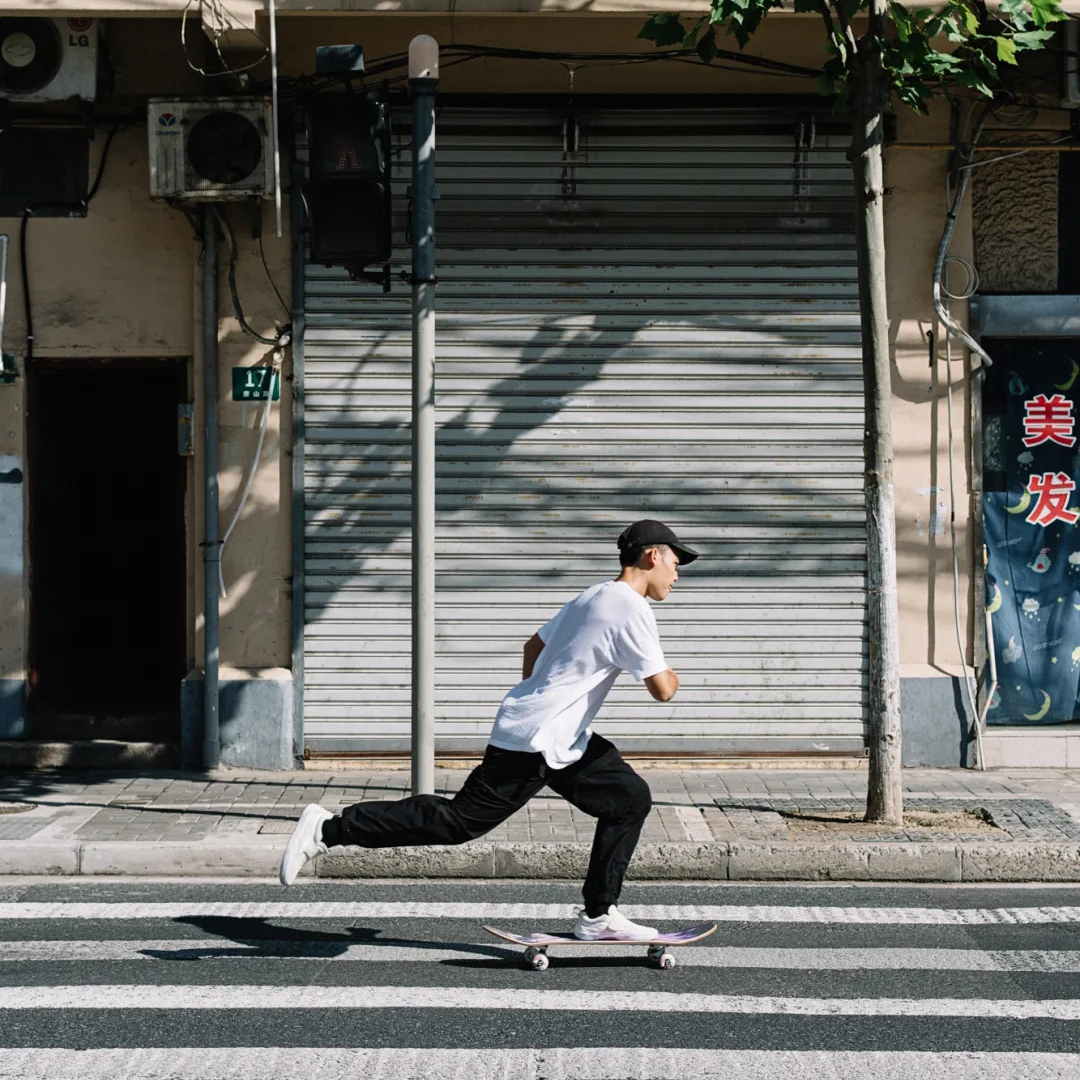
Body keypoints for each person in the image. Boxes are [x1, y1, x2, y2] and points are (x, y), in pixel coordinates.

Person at [279, 518, 698, 940]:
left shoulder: (592, 596)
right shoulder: (631, 606)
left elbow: (533, 645)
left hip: (558, 739)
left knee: (629, 799)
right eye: (676, 563)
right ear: (652, 555)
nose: (677, 575)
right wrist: (674, 674)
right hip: (535, 742)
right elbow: (663, 690)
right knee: (459, 823)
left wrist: (538, 694)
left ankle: (598, 916)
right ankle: (328, 828)